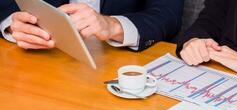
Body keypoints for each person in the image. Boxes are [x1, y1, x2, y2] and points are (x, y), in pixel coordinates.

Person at [0, 0, 183, 51]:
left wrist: (113, 25)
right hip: (43, 61)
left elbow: (167, 14)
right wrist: (12, 25)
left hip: (118, 65)